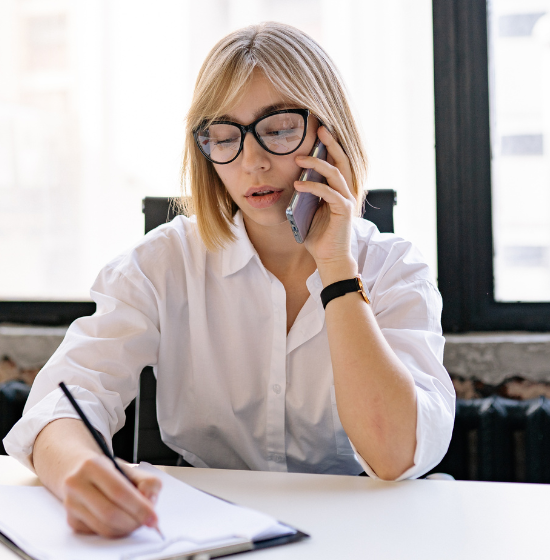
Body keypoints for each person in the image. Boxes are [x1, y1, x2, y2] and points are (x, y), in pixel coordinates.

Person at [4, 22, 455, 538]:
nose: (252, 161)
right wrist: (80, 472)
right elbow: (62, 402)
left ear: (330, 137)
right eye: (224, 137)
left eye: (279, 129)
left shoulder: (394, 269)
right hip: (201, 533)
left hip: (357, 532)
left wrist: (336, 269)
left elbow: (396, 454)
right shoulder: (163, 263)